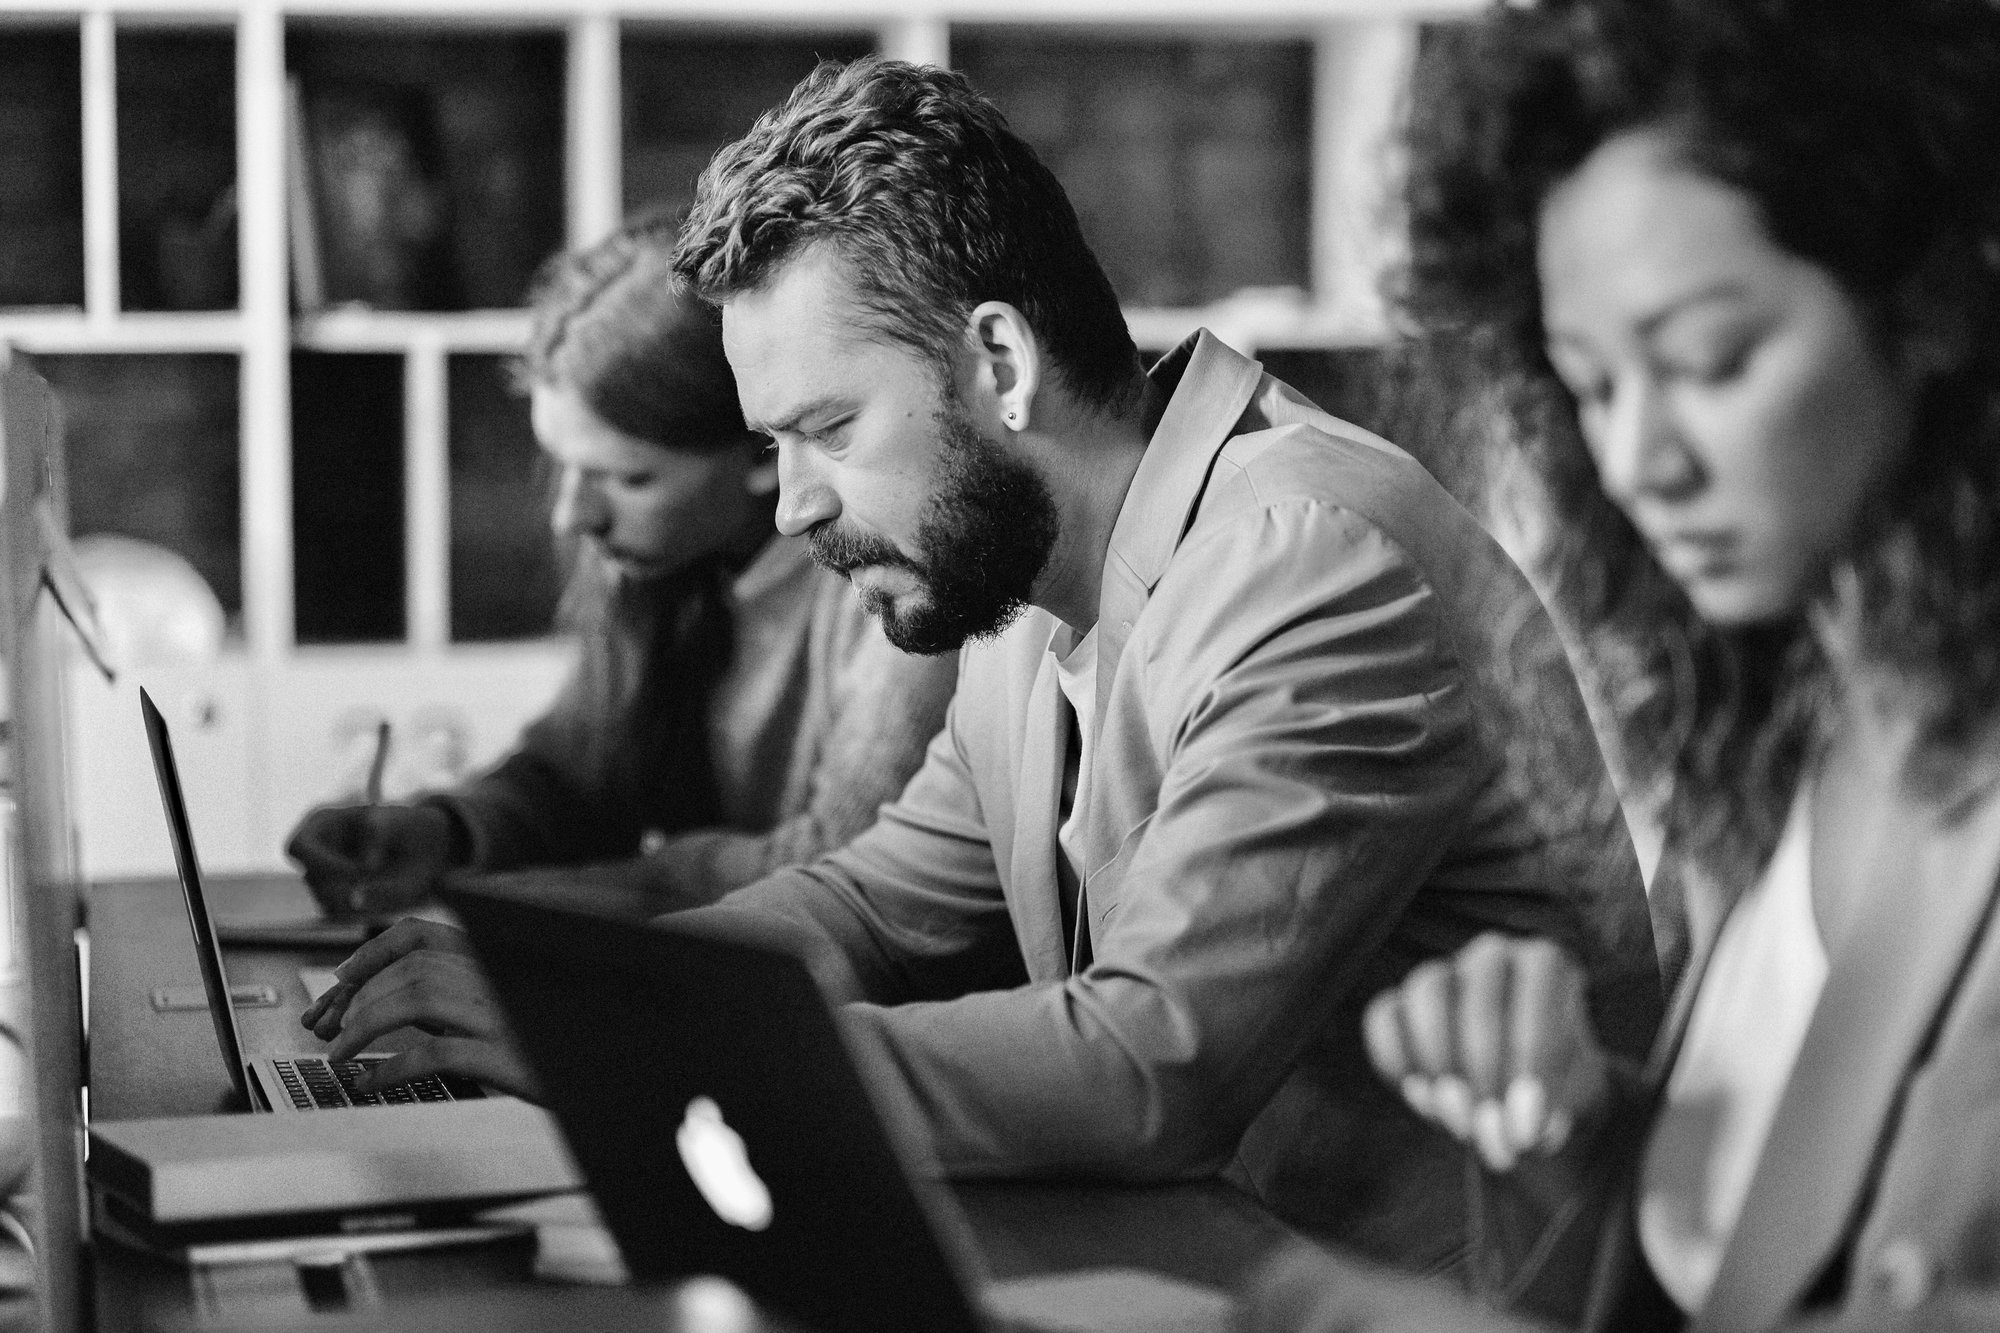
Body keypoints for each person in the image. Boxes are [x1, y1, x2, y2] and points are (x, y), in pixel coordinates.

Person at [303, 58, 1662, 1313]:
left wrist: (623, 1050)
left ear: (999, 363)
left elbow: (1151, 1062)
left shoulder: (1307, 562)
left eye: (828, 429)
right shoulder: (1025, 582)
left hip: (1422, 1304)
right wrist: (577, 994)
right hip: (1206, 1261)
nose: (786, 508)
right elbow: (873, 902)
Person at [1244, 0, 2000, 1328]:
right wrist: (1587, 1117)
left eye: (1708, 361)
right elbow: (1749, 1257)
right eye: (1591, 385)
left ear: (1935, 303)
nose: (1639, 462)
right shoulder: (1775, 736)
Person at [286, 213, 958, 921]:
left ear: (764, 447)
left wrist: (619, 885)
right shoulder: (661, 568)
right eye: (564, 466)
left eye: (626, 477)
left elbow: (841, 867)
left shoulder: (890, 588)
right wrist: (440, 831)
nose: (572, 515)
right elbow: (577, 780)